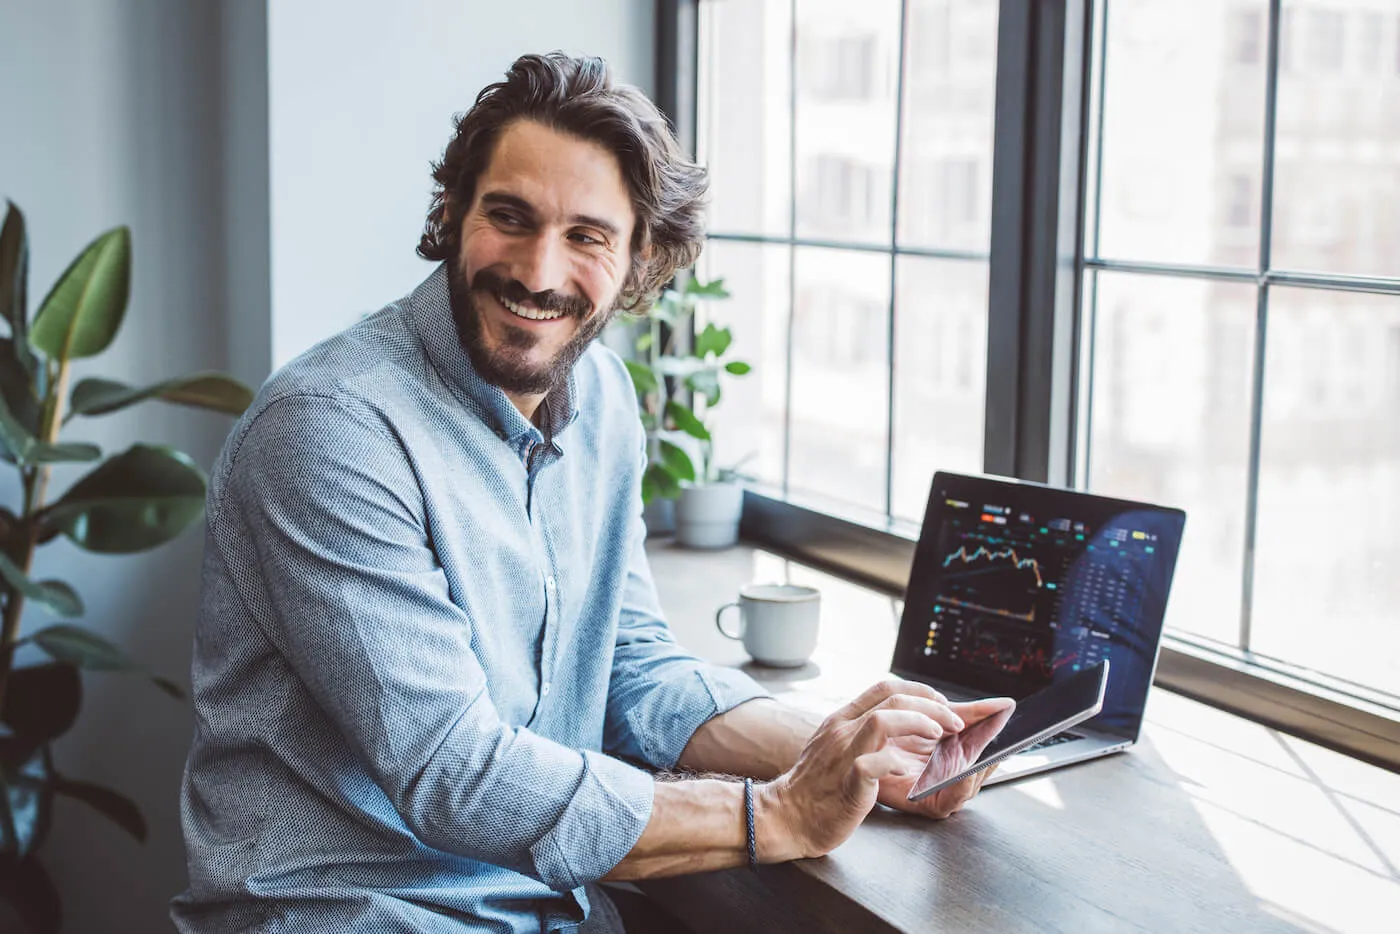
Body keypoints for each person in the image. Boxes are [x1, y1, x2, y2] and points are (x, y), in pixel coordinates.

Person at [170, 52, 1013, 934]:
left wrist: (852, 753)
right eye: (509, 216)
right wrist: (786, 813)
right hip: (355, 914)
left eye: (587, 236)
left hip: (550, 908)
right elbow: (456, 775)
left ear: (640, 256)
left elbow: (626, 670)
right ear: (453, 212)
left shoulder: (604, 401)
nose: (539, 271)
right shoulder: (329, 430)